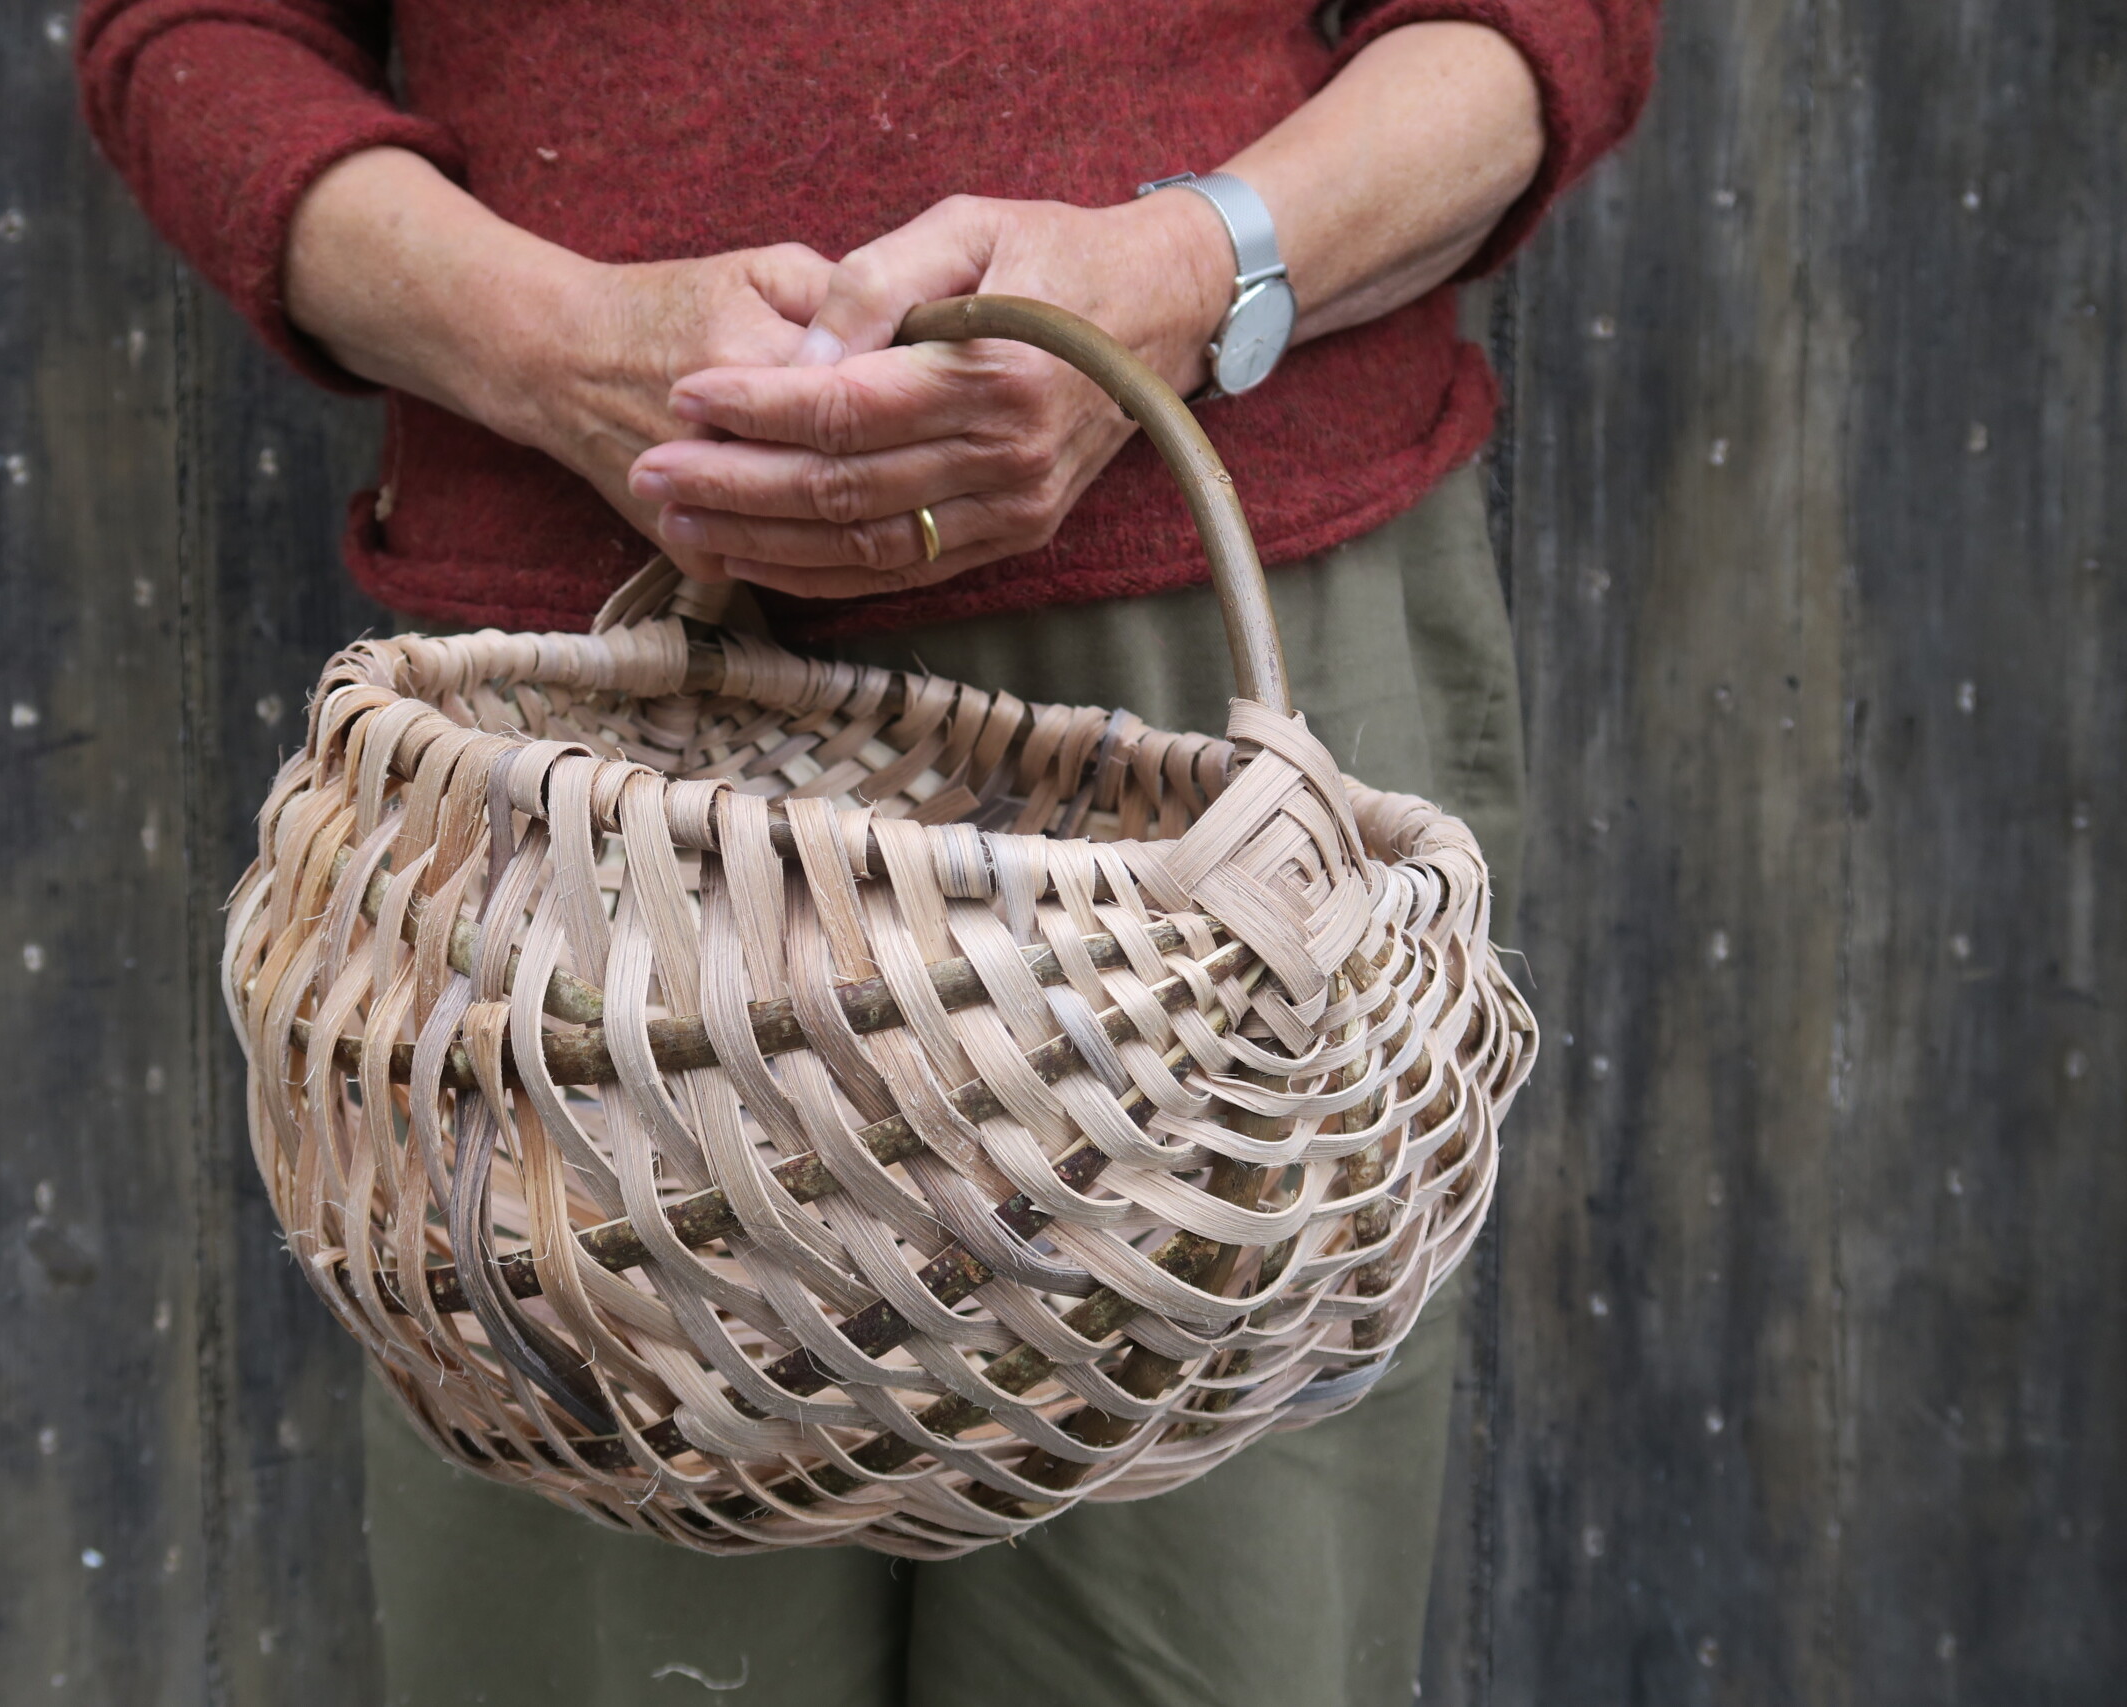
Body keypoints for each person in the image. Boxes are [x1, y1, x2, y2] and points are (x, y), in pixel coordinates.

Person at [79, 3, 1656, 1702]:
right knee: (617, 1641)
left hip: (1220, 696)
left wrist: (1195, 275)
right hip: (583, 755)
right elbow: (190, 35)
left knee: (1203, 1636)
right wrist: (545, 344)